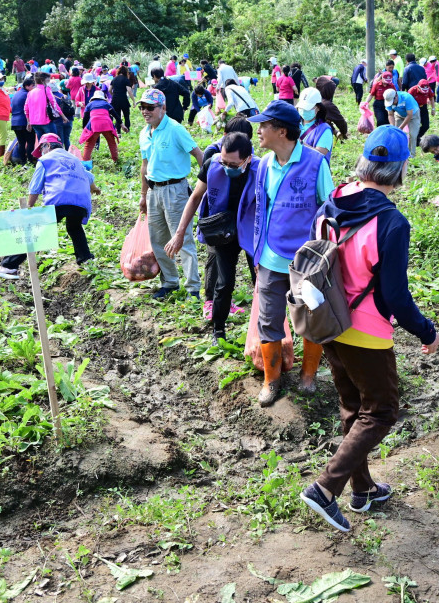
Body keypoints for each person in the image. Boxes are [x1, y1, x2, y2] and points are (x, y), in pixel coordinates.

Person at [298, 126, 438, 534]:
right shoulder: (392, 222)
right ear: (399, 170)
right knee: (381, 411)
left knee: (352, 407)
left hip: (328, 321)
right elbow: (395, 295)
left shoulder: (332, 201)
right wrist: (427, 332)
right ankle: (325, 488)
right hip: (366, 332)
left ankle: (363, 490)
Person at [242, 100, 335, 406]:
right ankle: (272, 381)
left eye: (264, 125)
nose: (258, 131)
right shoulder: (264, 165)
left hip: (305, 264)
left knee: (311, 318)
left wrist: (324, 258)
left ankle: (308, 378)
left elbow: (329, 210)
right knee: (268, 321)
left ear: (281, 131)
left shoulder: (315, 163)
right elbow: (261, 213)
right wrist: (257, 254)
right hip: (270, 259)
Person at [165, 131, 255, 342]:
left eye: (233, 165)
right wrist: (179, 234)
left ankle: (264, 333)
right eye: (224, 162)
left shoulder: (261, 170)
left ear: (248, 159)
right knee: (224, 283)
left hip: (252, 230)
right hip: (223, 231)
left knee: (261, 282)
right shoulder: (212, 166)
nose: (227, 168)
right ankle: (218, 331)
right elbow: (195, 198)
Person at [0, 134, 100, 278]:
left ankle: (9, 266)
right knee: (75, 228)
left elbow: (35, 187)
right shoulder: (75, 160)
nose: (40, 154)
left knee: (35, 230)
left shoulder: (45, 160)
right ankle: (86, 260)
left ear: (47, 146)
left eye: (41, 149)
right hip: (81, 202)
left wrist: (28, 210)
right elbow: (89, 177)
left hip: (60, 199)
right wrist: (95, 189)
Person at [139, 89, 205, 300]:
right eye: (142, 107)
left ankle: (193, 288)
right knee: (157, 239)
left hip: (175, 190)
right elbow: (145, 165)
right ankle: (170, 281)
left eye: (150, 107)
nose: (145, 112)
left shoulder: (175, 129)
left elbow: (198, 154)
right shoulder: (144, 133)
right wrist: (143, 195)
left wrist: (207, 184)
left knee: (182, 239)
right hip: (153, 190)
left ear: (163, 108)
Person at [25, 71, 67, 141]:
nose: (49, 82)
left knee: (42, 143)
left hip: (34, 122)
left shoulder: (31, 92)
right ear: (43, 80)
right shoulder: (46, 89)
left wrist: (28, 121)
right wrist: (63, 116)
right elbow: (54, 104)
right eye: (48, 80)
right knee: (53, 142)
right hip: (45, 121)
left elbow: (26, 108)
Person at [82, 90, 120, 164]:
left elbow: (85, 118)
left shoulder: (89, 105)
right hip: (107, 124)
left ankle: (85, 162)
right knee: (112, 143)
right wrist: (121, 124)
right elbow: (115, 115)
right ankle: (116, 161)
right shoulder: (106, 104)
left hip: (94, 125)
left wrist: (84, 129)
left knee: (89, 145)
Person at [297, 88, 334, 160]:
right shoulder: (295, 123)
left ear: (318, 108)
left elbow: (319, 155)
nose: (304, 111)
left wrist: (299, 143)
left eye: (307, 108)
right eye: (301, 108)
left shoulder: (324, 129)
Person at [383, 88, 421, 155]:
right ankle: (396, 152)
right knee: (395, 134)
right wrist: (393, 126)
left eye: (392, 101)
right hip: (399, 115)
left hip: (413, 115)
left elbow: (409, 115)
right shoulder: (388, 100)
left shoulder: (406, 97)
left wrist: (400, 127)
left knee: (413, 135)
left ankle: (411, 154)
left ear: (396, 96)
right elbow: (390, 114)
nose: (391, 103)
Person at [111, 65, 134, 133]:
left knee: (117, 116)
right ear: (126, 72)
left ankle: (118, 132)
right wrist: (133, 101)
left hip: (115, 100)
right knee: (126, 115)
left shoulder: (114, 79)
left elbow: (110, 89)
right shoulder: (126, 79)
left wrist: (113, 95)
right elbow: (129, 91)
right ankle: (127, 130)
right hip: (123, 99)